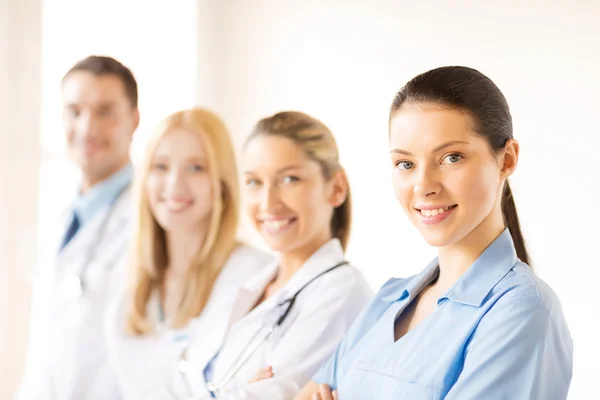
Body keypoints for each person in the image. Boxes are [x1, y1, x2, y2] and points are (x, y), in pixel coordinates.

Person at [296, 66, 573, 400]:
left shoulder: (522, 310)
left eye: (451, 157)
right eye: (406, 164)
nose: (423, 186)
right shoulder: (388, 300)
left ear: (507, 159)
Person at [177, 111, 372, 399]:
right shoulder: (249, 280)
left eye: (290, 179)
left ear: (336, 188)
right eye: (255, 182)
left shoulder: (342, 293)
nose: (268, 202)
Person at [104, 108, 273, 400]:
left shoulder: (256, 276)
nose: (174, 184)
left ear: (222, 184)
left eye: (196, 167)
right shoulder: (128, 281)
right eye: (161, 166)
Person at [17, 56, 140, 399]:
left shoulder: (151, 222)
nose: (87, 128)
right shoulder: (61, 218)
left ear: (134, 119)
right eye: (74, 111)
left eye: (104, 111)